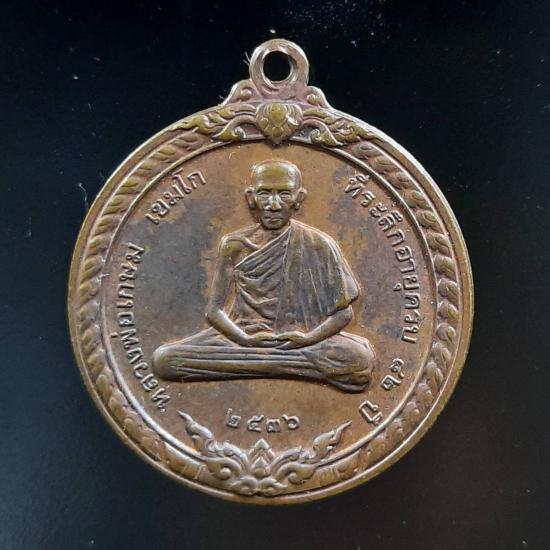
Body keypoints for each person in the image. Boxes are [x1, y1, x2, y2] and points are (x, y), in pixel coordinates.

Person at [152, 160, 376, 392]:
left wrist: (307, 339)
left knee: (358, 357)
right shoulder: (234, 245)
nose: (274, 205)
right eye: (265, 193)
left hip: (303, 342)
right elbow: (215, 311)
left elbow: (343, 314)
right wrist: (244, 339)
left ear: (298, 199)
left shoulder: (319, 244)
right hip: (242, 340)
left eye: (284, 194)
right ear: (251, 198)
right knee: (164, 359)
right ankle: (293, 368)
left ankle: (265, 364)